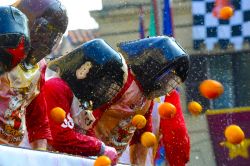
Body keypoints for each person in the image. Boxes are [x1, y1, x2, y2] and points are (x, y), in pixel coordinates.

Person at [43, 36, 190, 165]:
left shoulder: (148, 97)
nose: (168, 83)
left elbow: (142, 136)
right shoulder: (121, 83)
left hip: (104, 156)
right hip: (86, 155)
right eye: (167, 76)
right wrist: (99, 149)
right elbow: (83, 125)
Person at [0, 0, 68, 150]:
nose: (47, 40)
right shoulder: (4, 47)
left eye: (54, 35)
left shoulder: (40, 66)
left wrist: (41, 155)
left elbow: (38, 119)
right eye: (44, 31)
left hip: (13, 151)